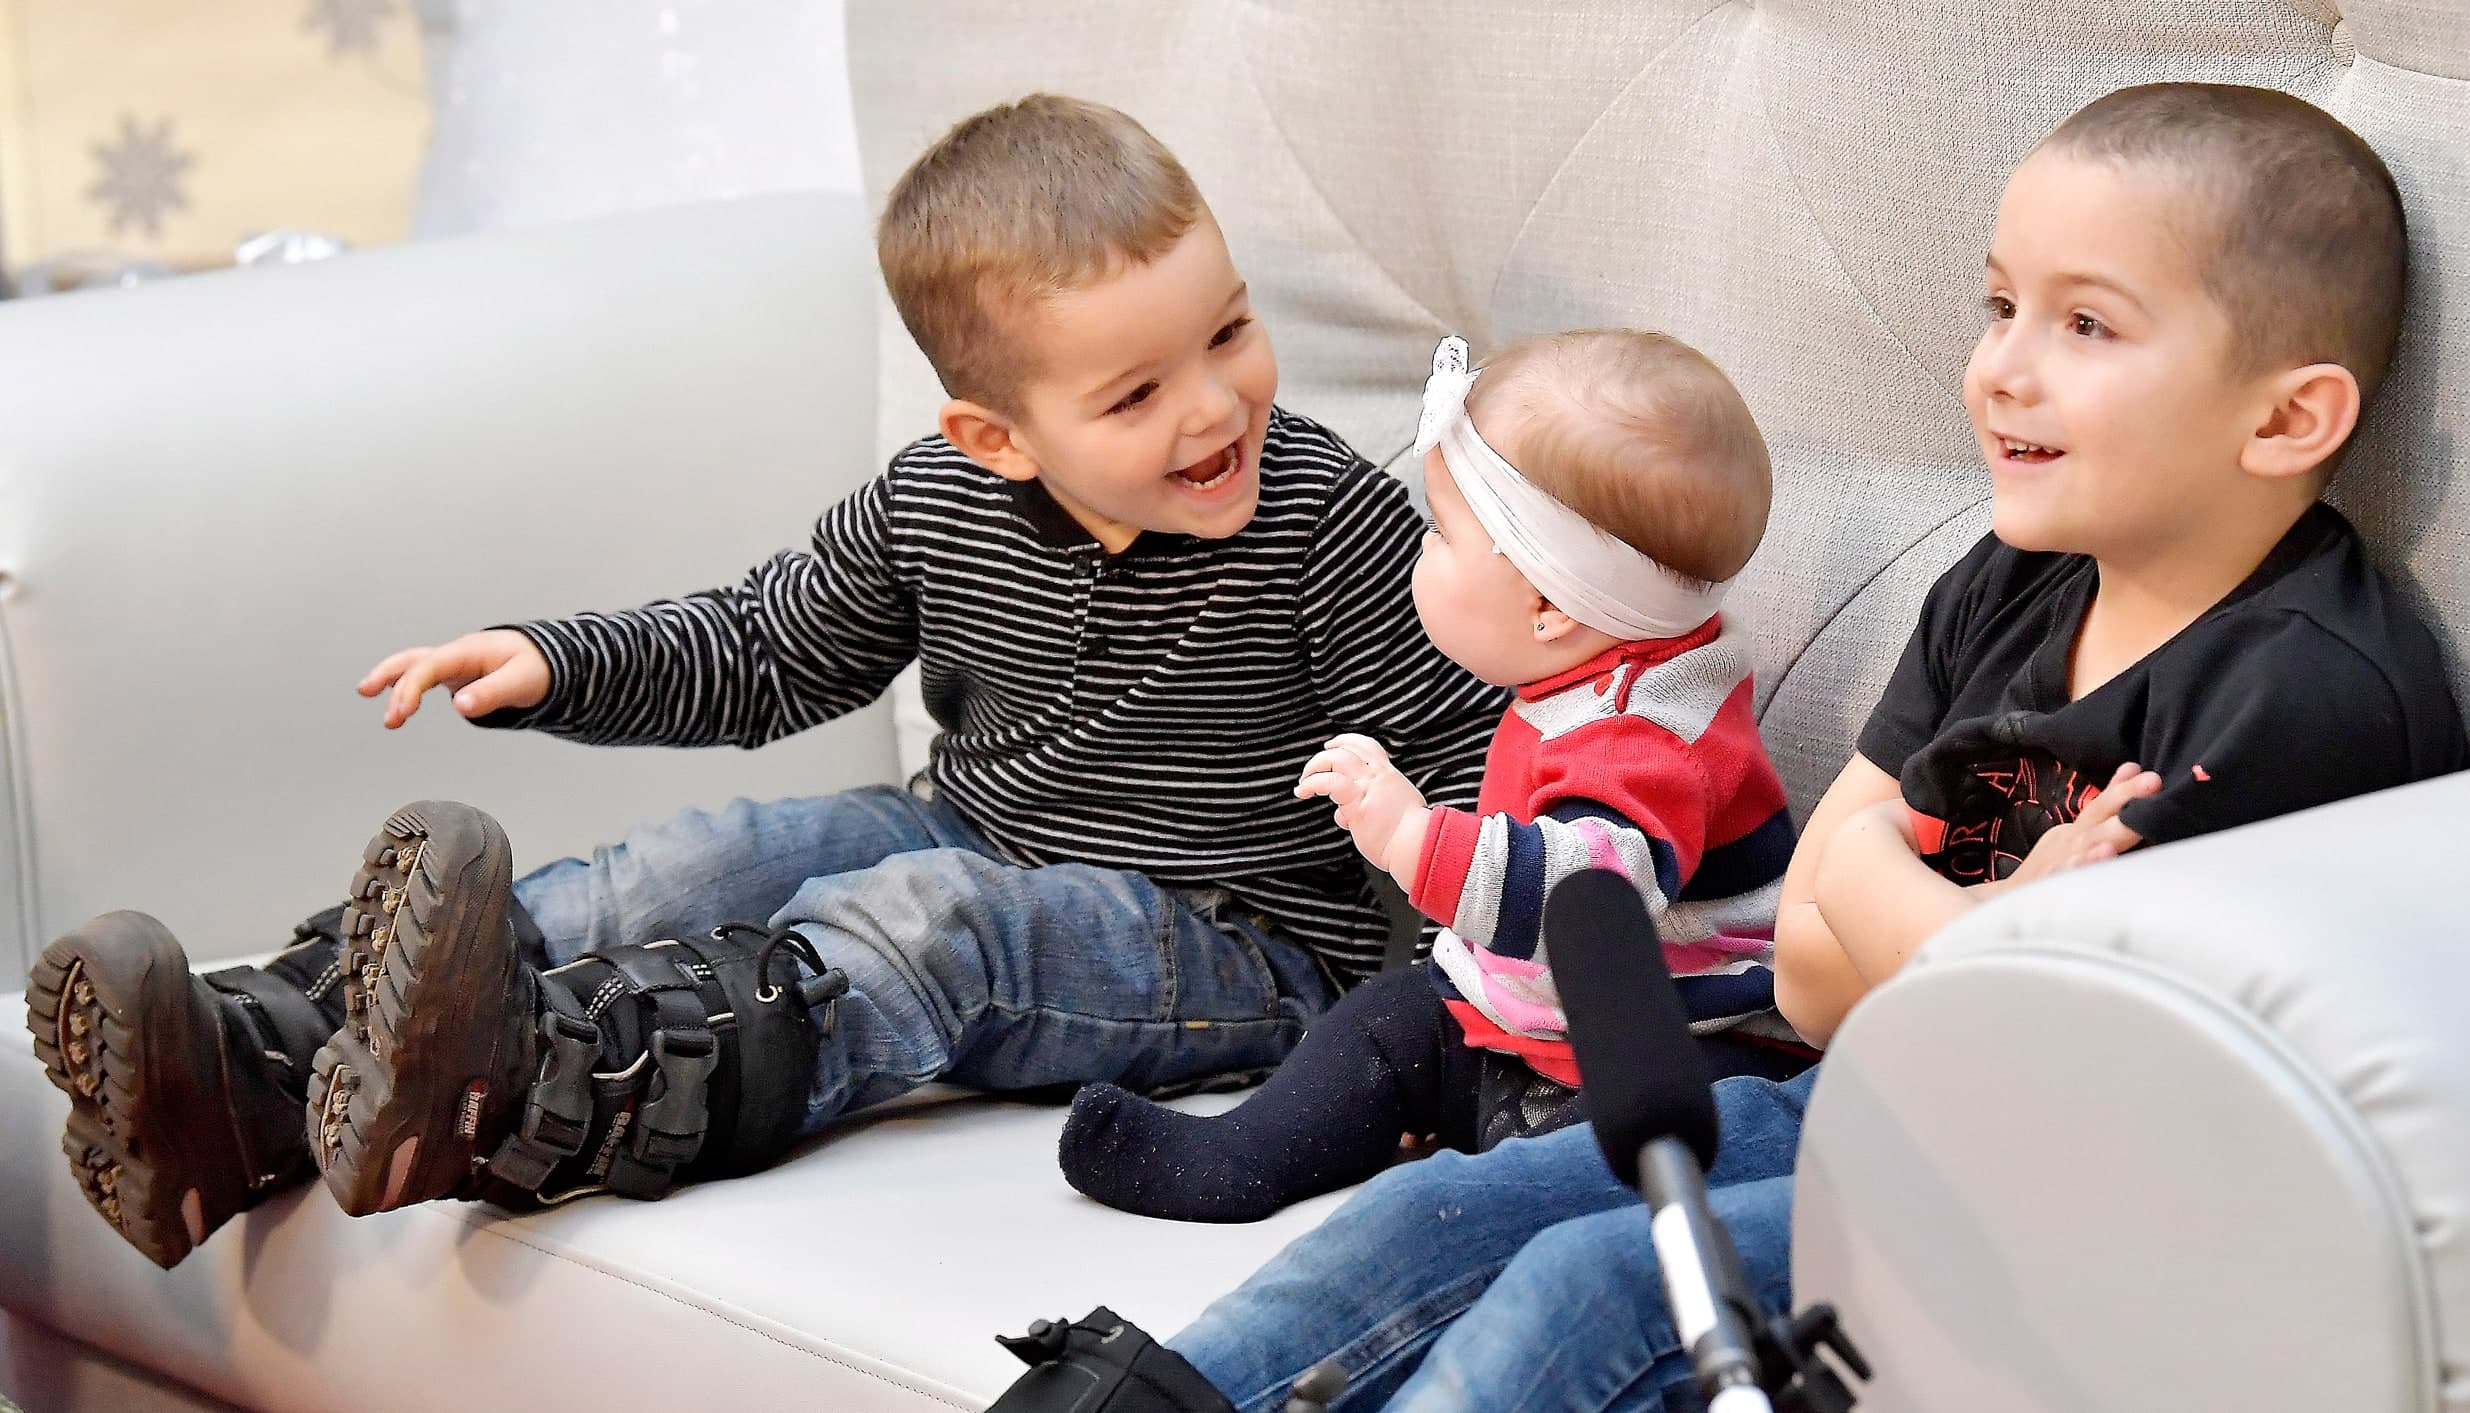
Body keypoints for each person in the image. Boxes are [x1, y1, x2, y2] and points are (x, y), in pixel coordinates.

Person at [986, 81, 2470, 1413]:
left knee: (1595, 1290)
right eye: (1999, 304)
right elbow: (1818, 968)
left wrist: (1893, 893)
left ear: (2288, 419)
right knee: (1428, 1219)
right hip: (1864, 1091)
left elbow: (2064, 1066)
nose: (2000, 370)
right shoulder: (2011, 578)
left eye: (2083, 325)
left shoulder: (2309, 692)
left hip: (2061, 1210)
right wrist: (1982, 927)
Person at [24, 94, 1509, 1270]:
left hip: (1243, 944)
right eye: (1135, 394)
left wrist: (1501, 996)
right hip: (987, 827)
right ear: (996, 437)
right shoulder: (937, 505)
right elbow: (765, 643)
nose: (1215, 404)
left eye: (1230, 333)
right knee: (729, 852)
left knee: (938, 924)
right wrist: (557, 661)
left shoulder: (1327, 521)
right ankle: (251, 1065)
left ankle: (542, 1091)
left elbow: (1469, 753)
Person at [1057, 328, 1803, 1224]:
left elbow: (1588, 899)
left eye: (1440, 533)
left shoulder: (1648, 739)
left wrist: (1415, 838)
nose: (1419, 550)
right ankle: (1243, 1154)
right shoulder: (1584, 673)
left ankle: (1488, 1182)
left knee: (1600, 1164)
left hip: (1666, 1052)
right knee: (1390, 1018)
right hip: (1522, 1025)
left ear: (1550, 608)